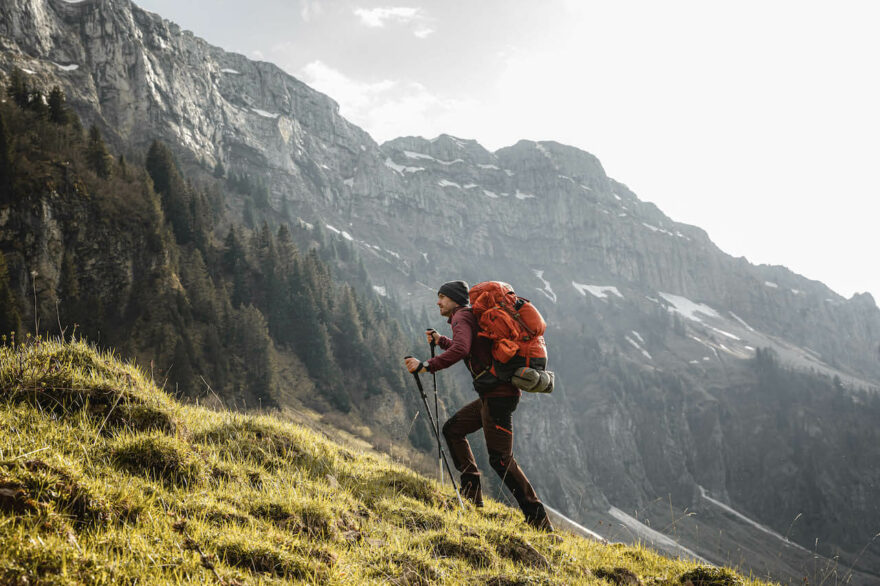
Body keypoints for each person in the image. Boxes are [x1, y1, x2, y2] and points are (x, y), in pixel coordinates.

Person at [404, 280, 553, 531]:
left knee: (501, 460)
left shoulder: (461, 317)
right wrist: (441, 341)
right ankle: (472, 498)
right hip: (493, 395)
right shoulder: (469, 316)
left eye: (442, 297)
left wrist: (427, 366)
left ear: (454, 299)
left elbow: (462, 349)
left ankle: (539, 522)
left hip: (498, 397)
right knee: (453, 430)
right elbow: (472, 348)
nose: (438, 302)